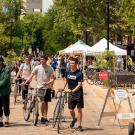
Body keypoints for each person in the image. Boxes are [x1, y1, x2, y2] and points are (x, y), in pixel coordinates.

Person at [24, 55, 55, 124]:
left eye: (43, 59)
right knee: (42, 102)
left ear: (46, 60)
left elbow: (53, 78)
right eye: (40, 59)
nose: (41, 61)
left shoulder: (50, 68)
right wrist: (25, 82)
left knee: (46, 103)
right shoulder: (37, 67)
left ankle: (45, 116)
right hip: (40, 88)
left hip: (47, 88)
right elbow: (31, 76)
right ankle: (42, 116)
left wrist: (48, 82)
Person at [62, 57, 84, 131]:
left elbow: (79, 85)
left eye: (73, 63)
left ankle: (79, 125)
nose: (71, 64)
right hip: (71, 93)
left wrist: (72, 91)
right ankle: (74, 119)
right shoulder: (67, 72)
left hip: (78, 93)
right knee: (71, 110)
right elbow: (66, 80)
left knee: (79, 110)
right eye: (70, 63)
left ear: (76, 64)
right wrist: (63, 88)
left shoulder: (80, 73)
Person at [0, 56, 11, 127]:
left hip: (5, 91)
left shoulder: (6, 68)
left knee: (6, 106)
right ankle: (0, 120)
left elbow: (6, 79)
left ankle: (7, 119)